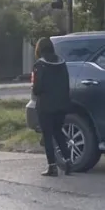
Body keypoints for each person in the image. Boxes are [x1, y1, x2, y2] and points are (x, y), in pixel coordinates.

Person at [32, 37, 71, 177]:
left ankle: (52, 167)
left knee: (47, 135)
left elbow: (37, 88)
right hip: (61, 104)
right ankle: (67, 160)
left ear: (39, 49)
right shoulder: (62, 63)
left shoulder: (40, 65)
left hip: (45, 106)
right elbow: (67, 84)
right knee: (58, 132)